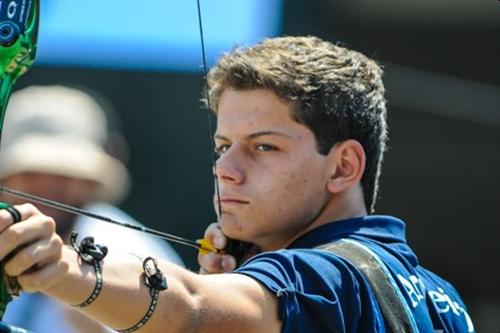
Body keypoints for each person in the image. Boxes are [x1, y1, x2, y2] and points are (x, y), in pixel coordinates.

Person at [0, 37, 474, 332]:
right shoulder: (440, 296)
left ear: (343, 166)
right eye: (222, 145)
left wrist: (63, 269)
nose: (225, 168)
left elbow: (189, 308)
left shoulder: (327, 279)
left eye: (263, 146)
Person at [0, 85, 183, 332]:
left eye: (63, 173)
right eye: (31, 173)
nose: (46, 186)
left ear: (90, 182)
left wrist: (85, 299)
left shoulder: (133, 255)